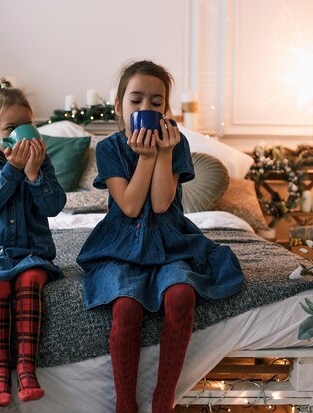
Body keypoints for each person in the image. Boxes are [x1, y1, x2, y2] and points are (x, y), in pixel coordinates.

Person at [77, 61, 244, 413]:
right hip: (123, 242)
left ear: (165, 109)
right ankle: (126, 402)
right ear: (119, 106)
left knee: (181, 295)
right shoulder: (108, 149)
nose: (146, 109)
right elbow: (132, 206)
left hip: (169, 239)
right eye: (136, 100)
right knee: (126, 306)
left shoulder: (176, 144)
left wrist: (163, 153)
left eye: (156, 102)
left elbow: (161, 201)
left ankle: (162, 399)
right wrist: (145, 158)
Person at [0, 79, 66, 407]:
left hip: (31, 250)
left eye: (27, 127)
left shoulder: (41, 162)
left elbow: (55, 206)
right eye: (10, 128)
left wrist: (34, 174)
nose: (21, 135)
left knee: (31, 281)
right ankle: (0, 371)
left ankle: (26, 367)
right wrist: (13, 169)